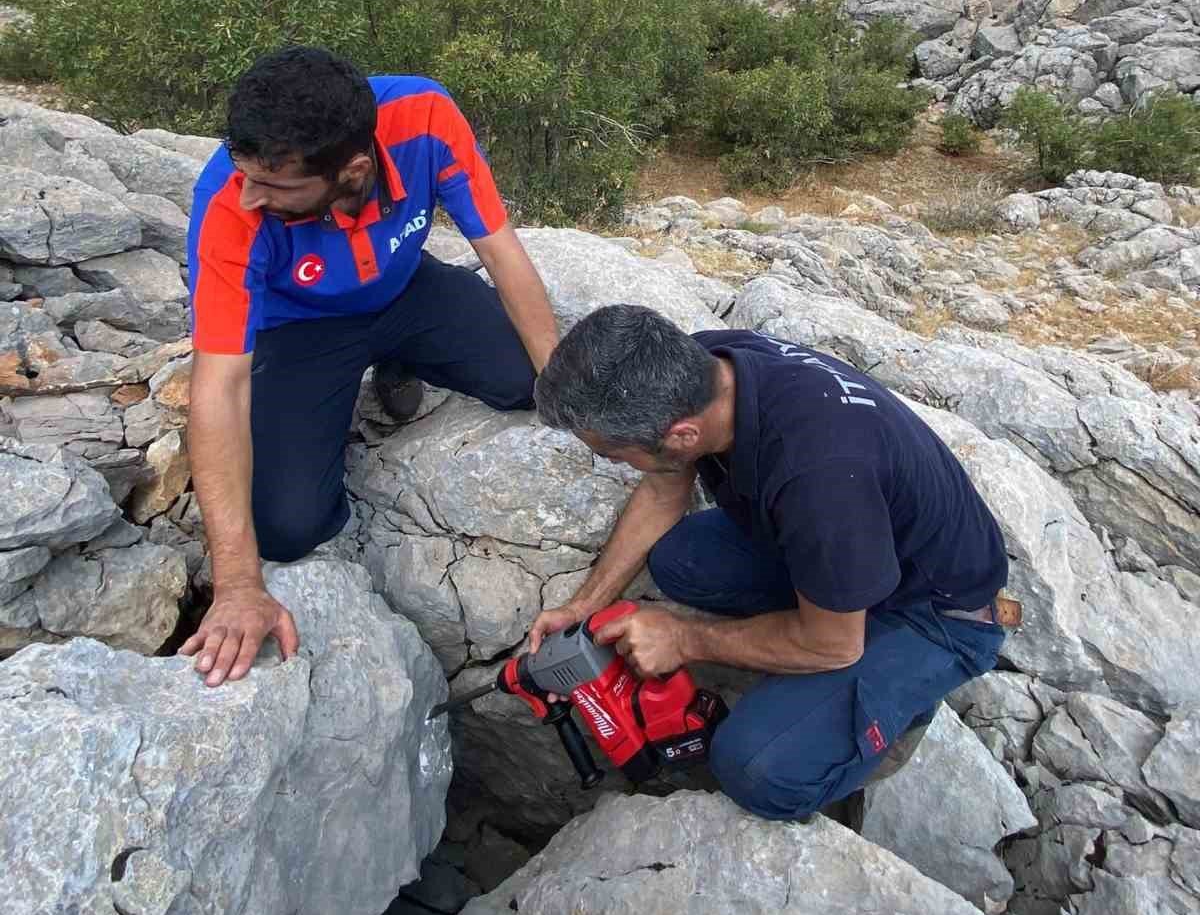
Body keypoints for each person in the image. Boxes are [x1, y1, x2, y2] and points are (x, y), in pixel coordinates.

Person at [529, 304, 1014, 823]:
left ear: (683, 435)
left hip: (934, 612)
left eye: (616, 455)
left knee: (756, 769)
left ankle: (894, 698)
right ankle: (833, 604)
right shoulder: (703, 367)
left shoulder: (818, 478)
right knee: (680, 560)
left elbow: (833, 644)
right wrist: (583, 605)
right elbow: (661, 489)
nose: (615, 465)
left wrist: (683, 639)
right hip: (854, 544)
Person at [180, 46, 558, 689]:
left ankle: (399, 357)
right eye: (247, 175)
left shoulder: (425, 116)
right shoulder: (227, 201)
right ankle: (364, 372)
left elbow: (499, 248)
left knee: (531, 380)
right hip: (299, 330)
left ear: (352, 169)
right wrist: (238, 582)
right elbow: (219, 383)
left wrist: (562, 381)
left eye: (274, 187)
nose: (250, 194)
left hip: (406, 290)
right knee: (287, 526)